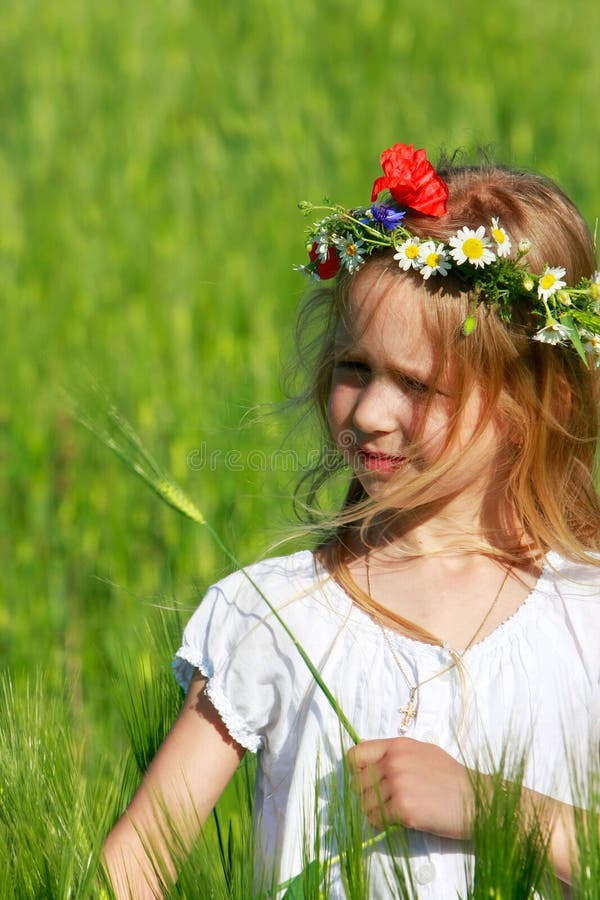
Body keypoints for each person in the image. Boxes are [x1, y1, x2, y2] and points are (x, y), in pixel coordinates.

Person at [103, 143, 600, 898]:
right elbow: (129, 871)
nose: (370, 412)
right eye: (354, 368)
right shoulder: (275, 614)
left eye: (417, 385)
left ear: (539, 405)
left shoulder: (585, 619)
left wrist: (499, 811)